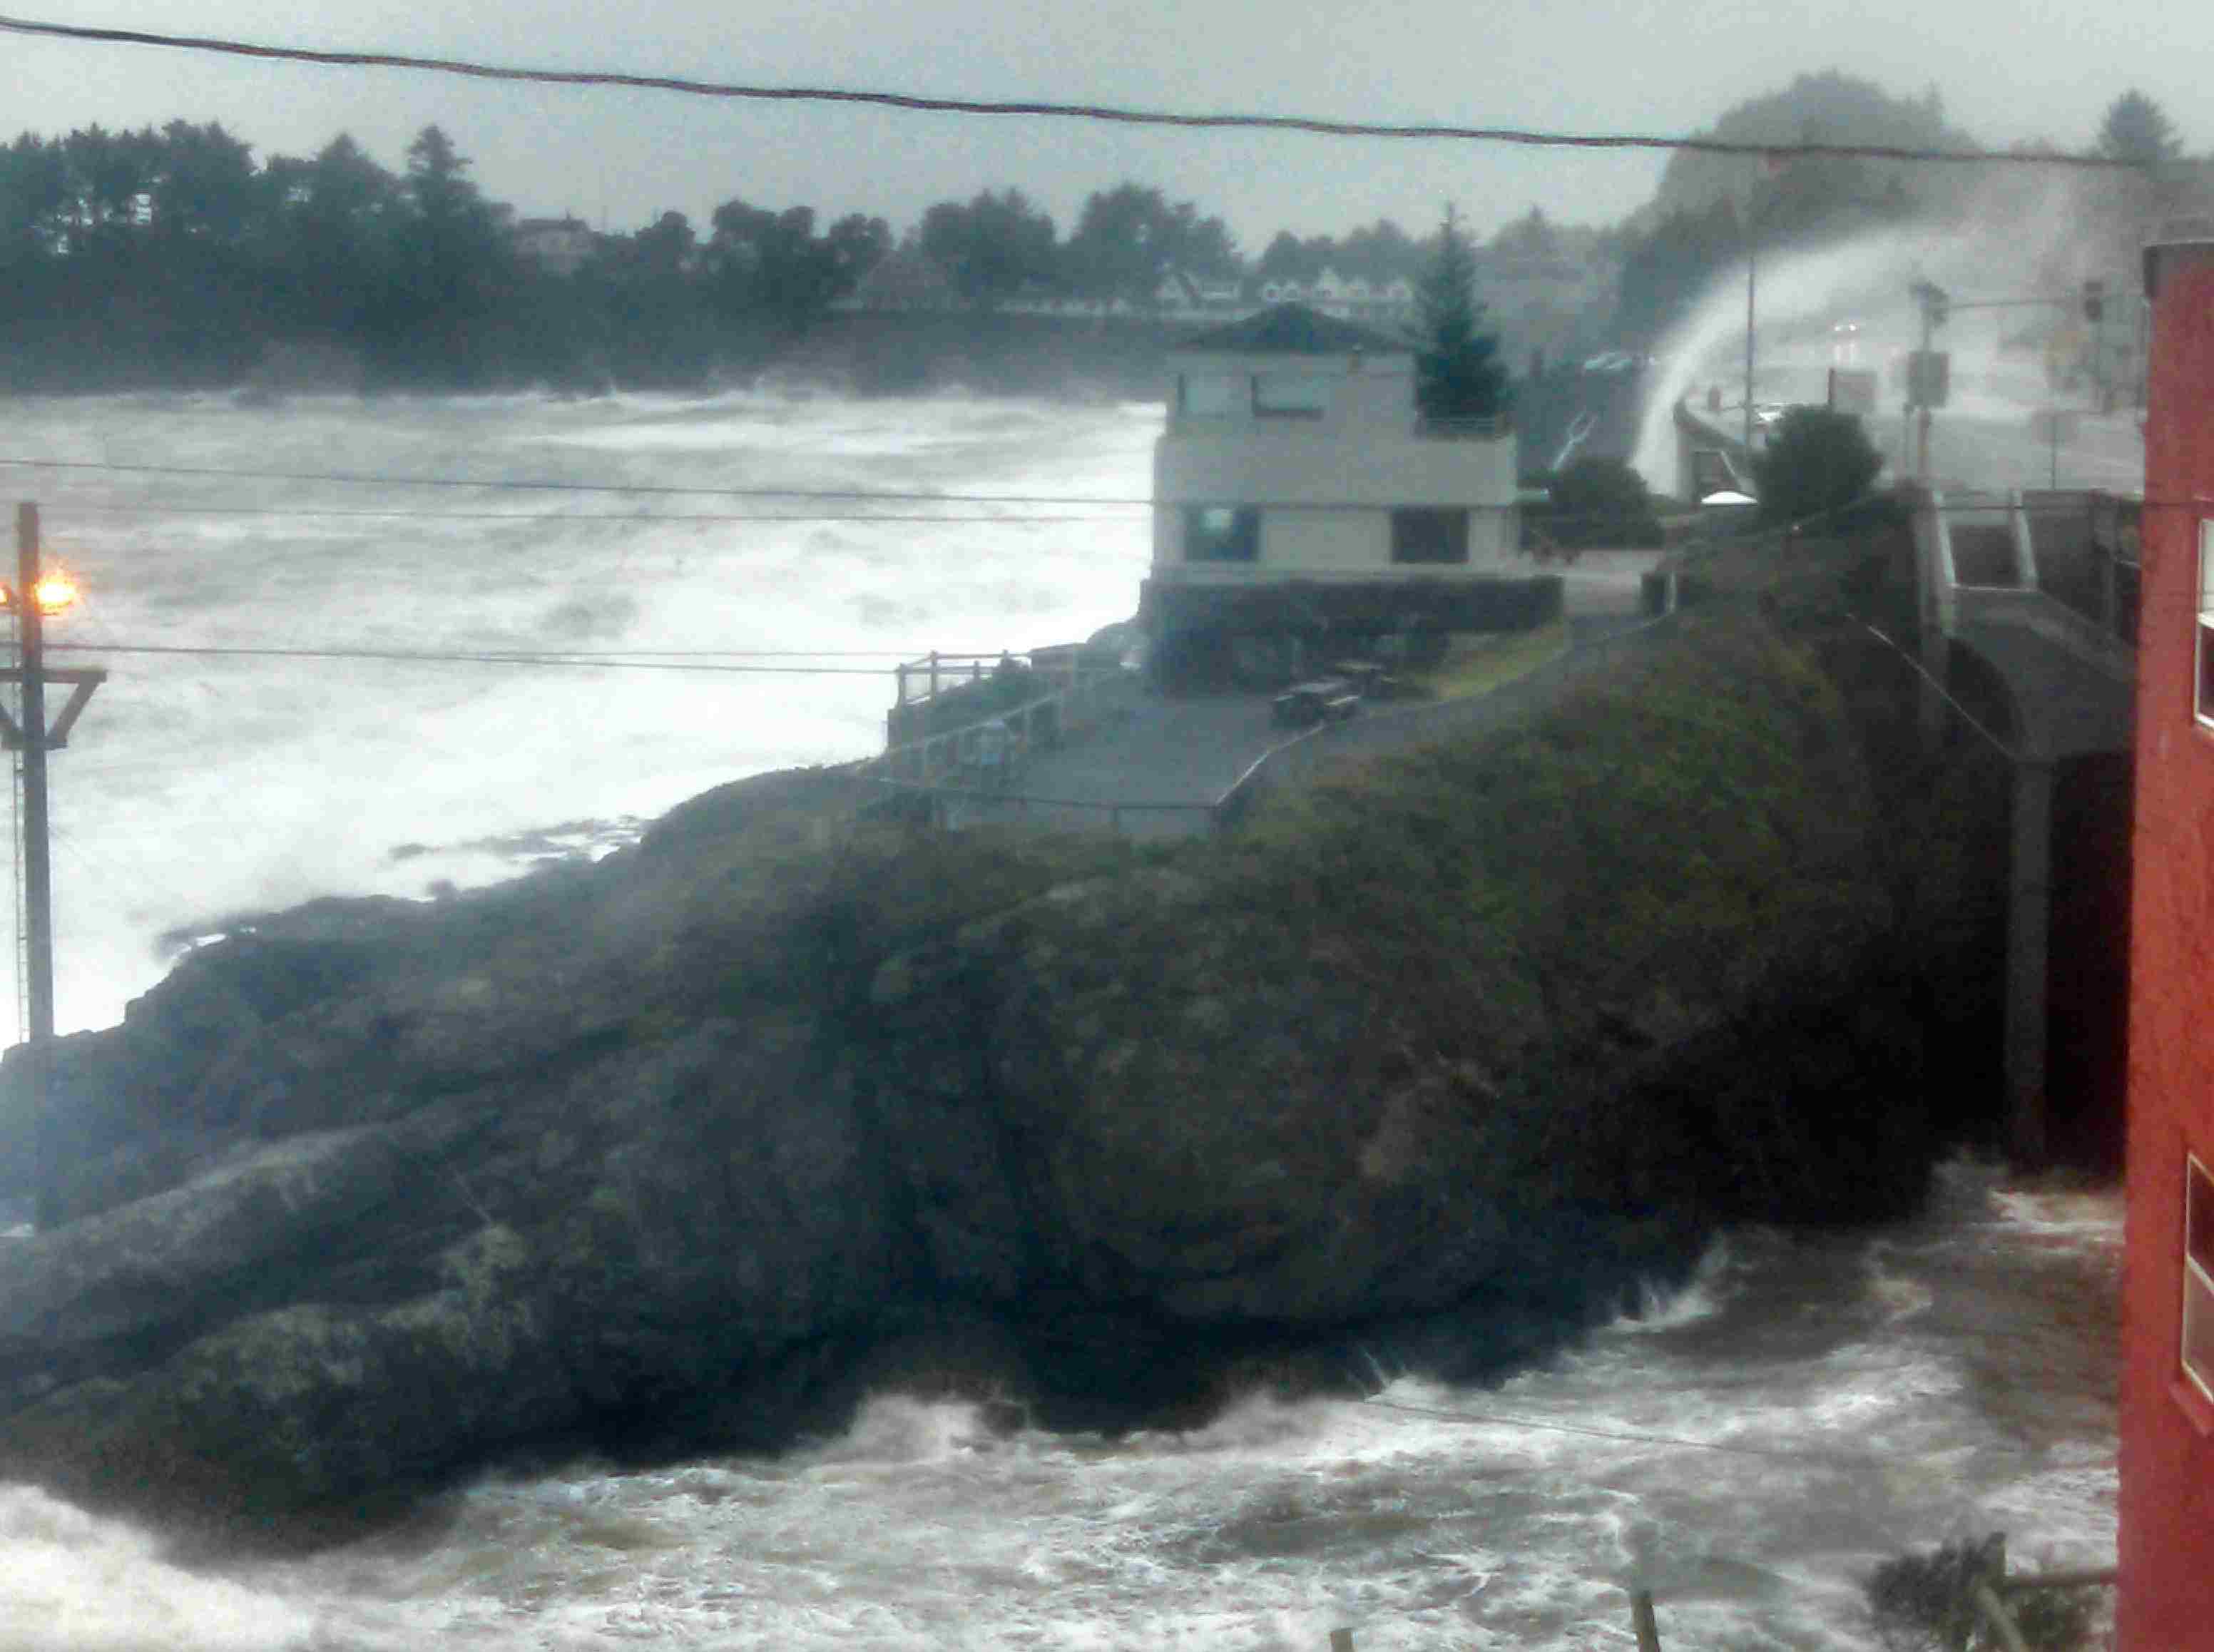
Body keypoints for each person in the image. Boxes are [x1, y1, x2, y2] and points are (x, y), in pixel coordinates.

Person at [975, 717, 1010, 791]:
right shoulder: (983, 740)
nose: (994, 737)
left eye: (998, 733)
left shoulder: (1002, 741)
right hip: (988, 762)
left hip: (995, 762)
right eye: (991, 733)